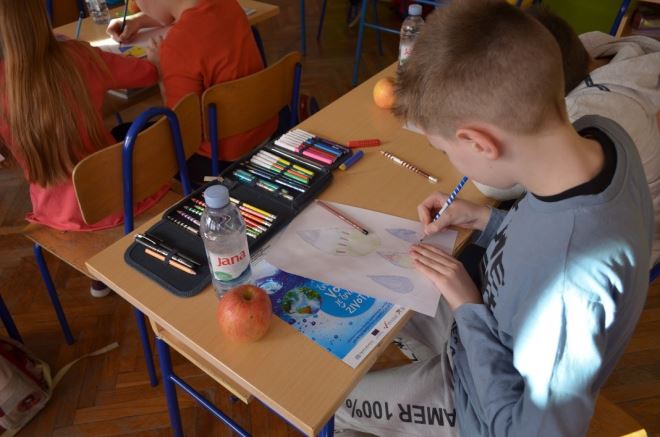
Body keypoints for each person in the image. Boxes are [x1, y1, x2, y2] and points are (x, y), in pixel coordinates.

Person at [334, 1, 653, 436]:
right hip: (484, 328)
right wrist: (485, 219)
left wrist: (467, 308)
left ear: (480, 143)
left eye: (444, 150)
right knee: (374, 280)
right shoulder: (600, 135)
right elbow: (550, 232)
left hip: (479, 411)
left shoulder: (569, 290)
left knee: (337, 409)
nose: (448, 159)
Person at [474, 6, 660, 266]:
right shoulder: (596, 50)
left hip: (610, 254)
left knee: (468, 254)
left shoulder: (582, 116)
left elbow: (496, 184)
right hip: (605, 224)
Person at [0, 0, 162, 296]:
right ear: (41, 18)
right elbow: (147, 73)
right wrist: (155, 56)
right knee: (140, 134)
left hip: (55, 212)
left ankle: (101, 270)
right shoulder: (79, 56)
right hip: (117, 201)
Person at [106, 0, 278, 183]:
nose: (138, 7)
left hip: (217, 163)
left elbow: (182, 132)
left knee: (119, 137)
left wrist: (161, 73)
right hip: (265, 133)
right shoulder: (228, 5)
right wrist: (140, 20)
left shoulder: (177, 45)